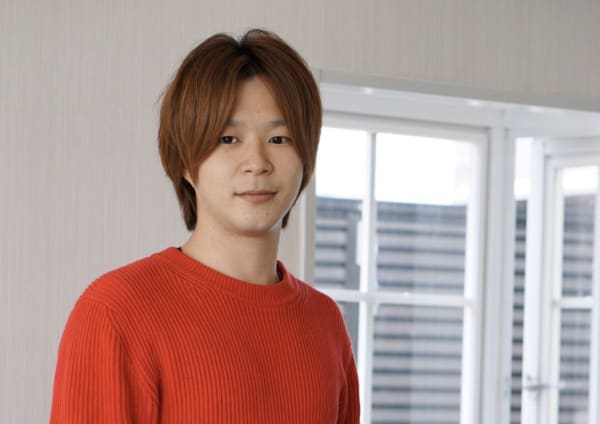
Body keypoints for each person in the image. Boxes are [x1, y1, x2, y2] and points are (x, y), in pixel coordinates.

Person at [50, 29, 360, 423]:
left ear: (307, 159)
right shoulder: (116, 313)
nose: (257, 162)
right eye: (228, 139)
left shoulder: (325, 322)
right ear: (184, 160)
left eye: (280, 139)